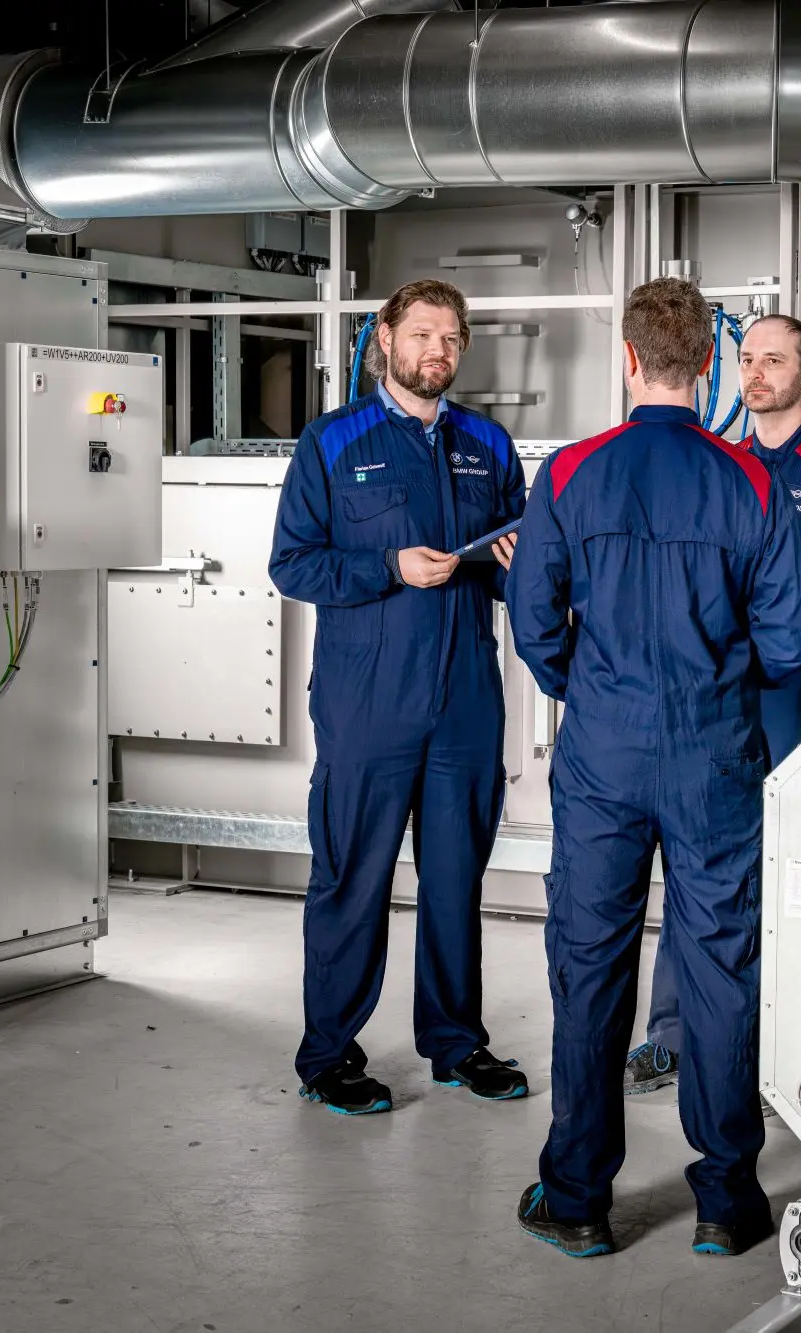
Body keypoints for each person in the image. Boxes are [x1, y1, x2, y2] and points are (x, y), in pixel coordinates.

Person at [507, 278, 801, 1258]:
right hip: (714, 752)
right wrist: (719, 679)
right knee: (721, 961)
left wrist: (587, 683)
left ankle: (576, 1198)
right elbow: (795, 635)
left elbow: (532, 620)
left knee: (590, 960)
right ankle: (727, 1199)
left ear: (629, 358)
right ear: (707, 364)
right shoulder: (753, 481)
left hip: (602, 747)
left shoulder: (570, 472)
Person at [269, 278, 529, 1115]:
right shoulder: (333, 441)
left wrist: (520, 565)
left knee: (455, 880)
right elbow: (293, 563)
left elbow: (514, 570)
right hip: (368, 699)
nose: (437, 351)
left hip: (464, 699)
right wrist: (389, 566)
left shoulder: (488, 444)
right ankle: (328, 1055)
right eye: (421, 334)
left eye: (451, 338)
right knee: (353, 876)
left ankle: (456, 1042)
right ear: (384, 339)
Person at [624, 313, 801, 1096]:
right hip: (715, 711)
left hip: (797, 713)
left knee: (795, 882)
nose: (756, 373)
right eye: (746, 358)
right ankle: (673, 1034)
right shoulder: (721, 467)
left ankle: (786, 1046)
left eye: (774, 359)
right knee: (697, 871)